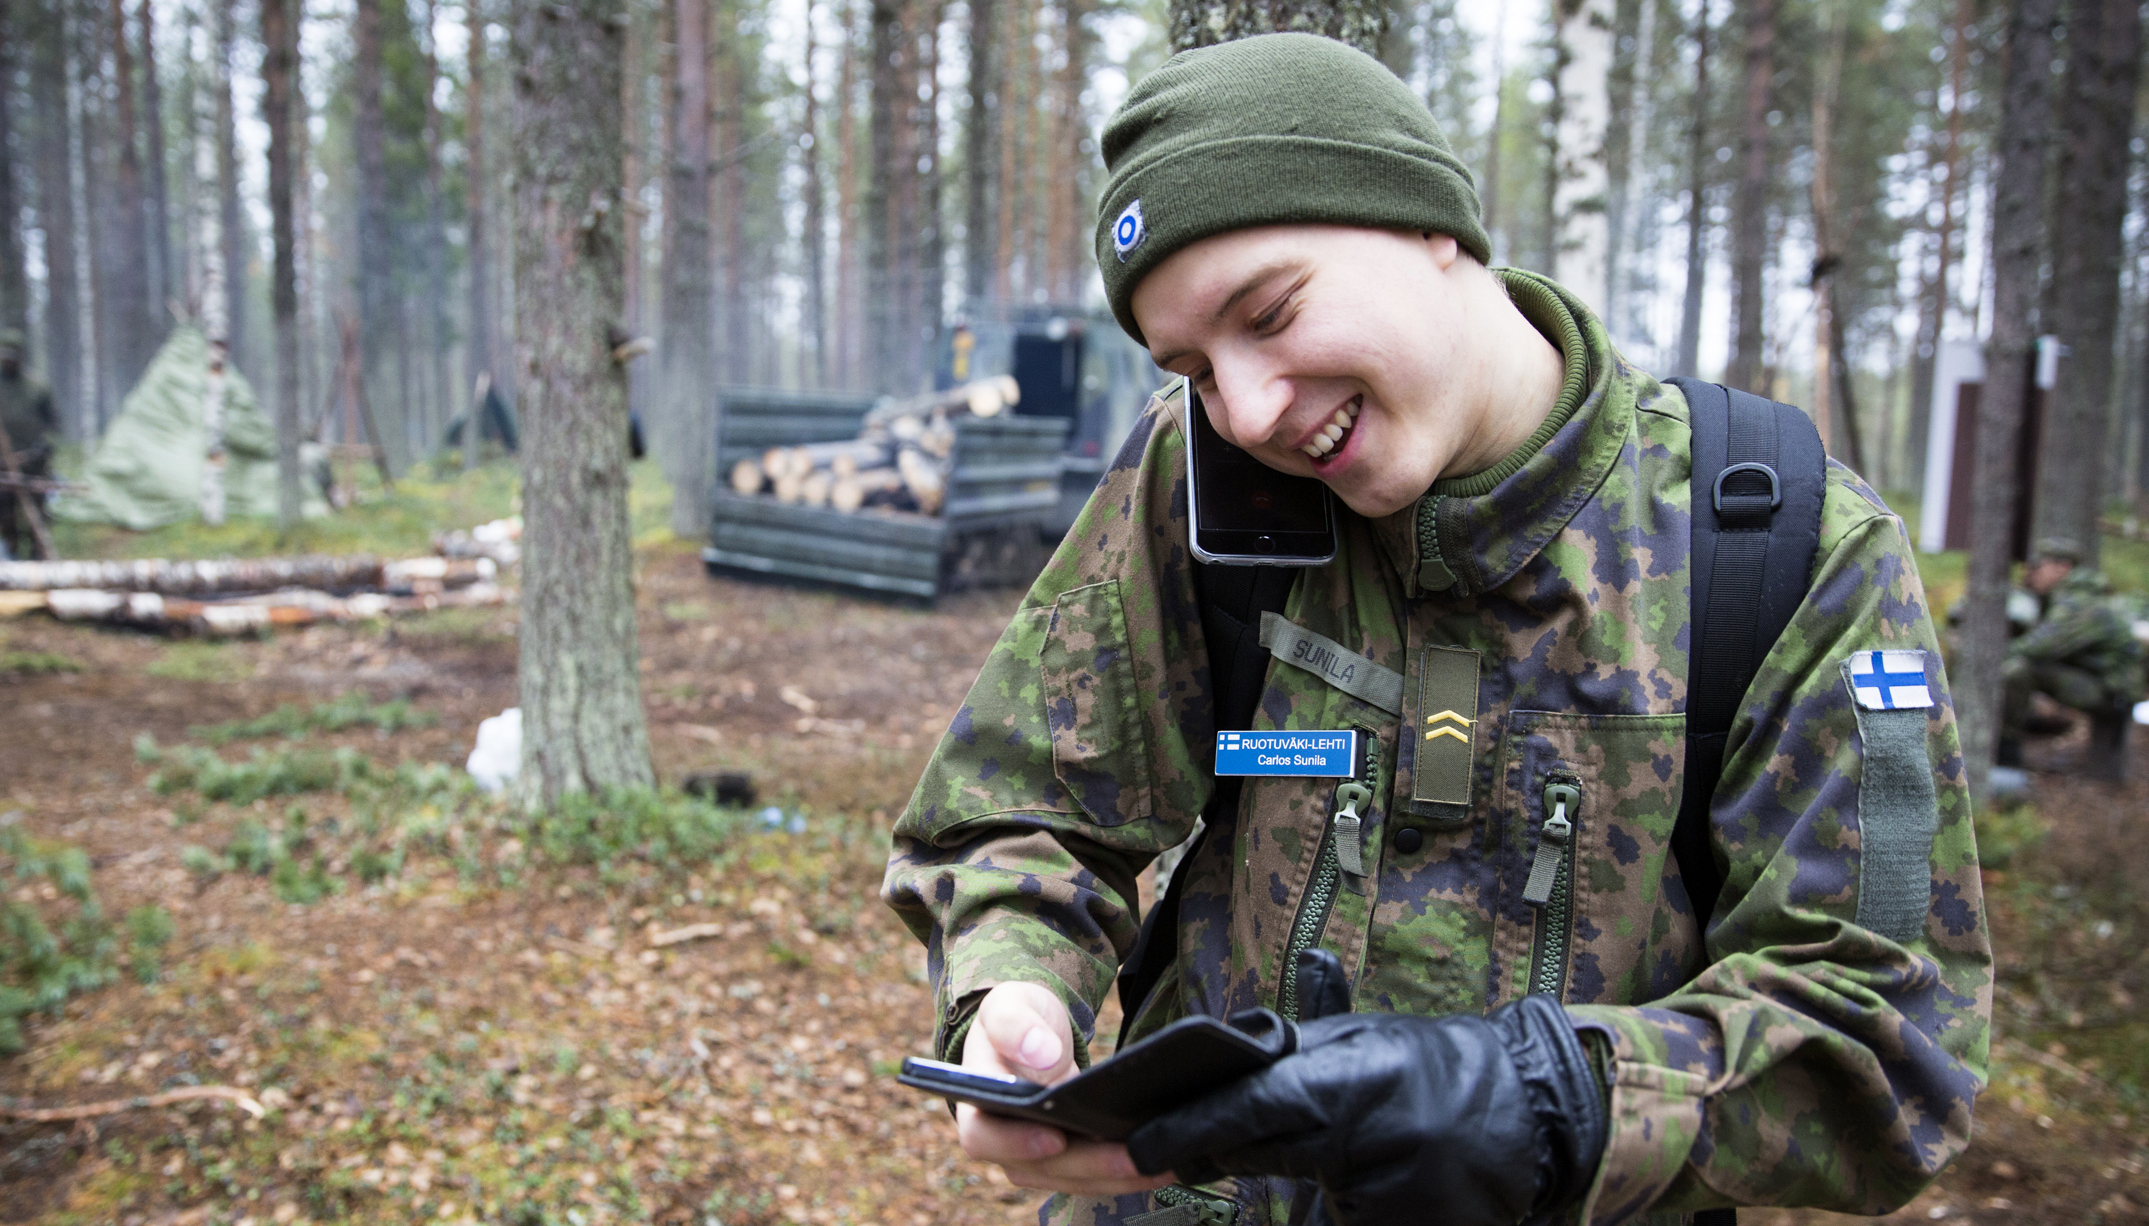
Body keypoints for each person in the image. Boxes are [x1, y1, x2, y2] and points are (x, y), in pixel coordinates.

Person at [883, 34, 1990, 1226]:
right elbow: (1021, 802)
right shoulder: (1201, 487)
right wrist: (1015, 986)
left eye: (1272, 311)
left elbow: (1883, 1037)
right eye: (1195, 366)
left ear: (1430, 225)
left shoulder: (1780, 544)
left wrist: (1544, 1099)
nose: (1248, 408)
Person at [1999, 536, 2146, 765]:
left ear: (2062, 567)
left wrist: (1988, 655)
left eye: (2039, 566)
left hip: (2112, 694)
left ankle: (2007, 750)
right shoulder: (2070, 596)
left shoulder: (2079, 603)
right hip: (2103, 683)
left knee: (2019, 669)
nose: (2031, 573)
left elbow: (2039, 647)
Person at [0, 329, 57, 559]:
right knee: (5, 517)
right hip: (2, 467)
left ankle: (39, 562)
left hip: (34, 465)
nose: (8, 361)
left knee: (37, 516)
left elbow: (53, 425)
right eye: (5, 355)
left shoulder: (37, 388)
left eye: (13, 356)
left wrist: (43, 448)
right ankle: (9, 558)